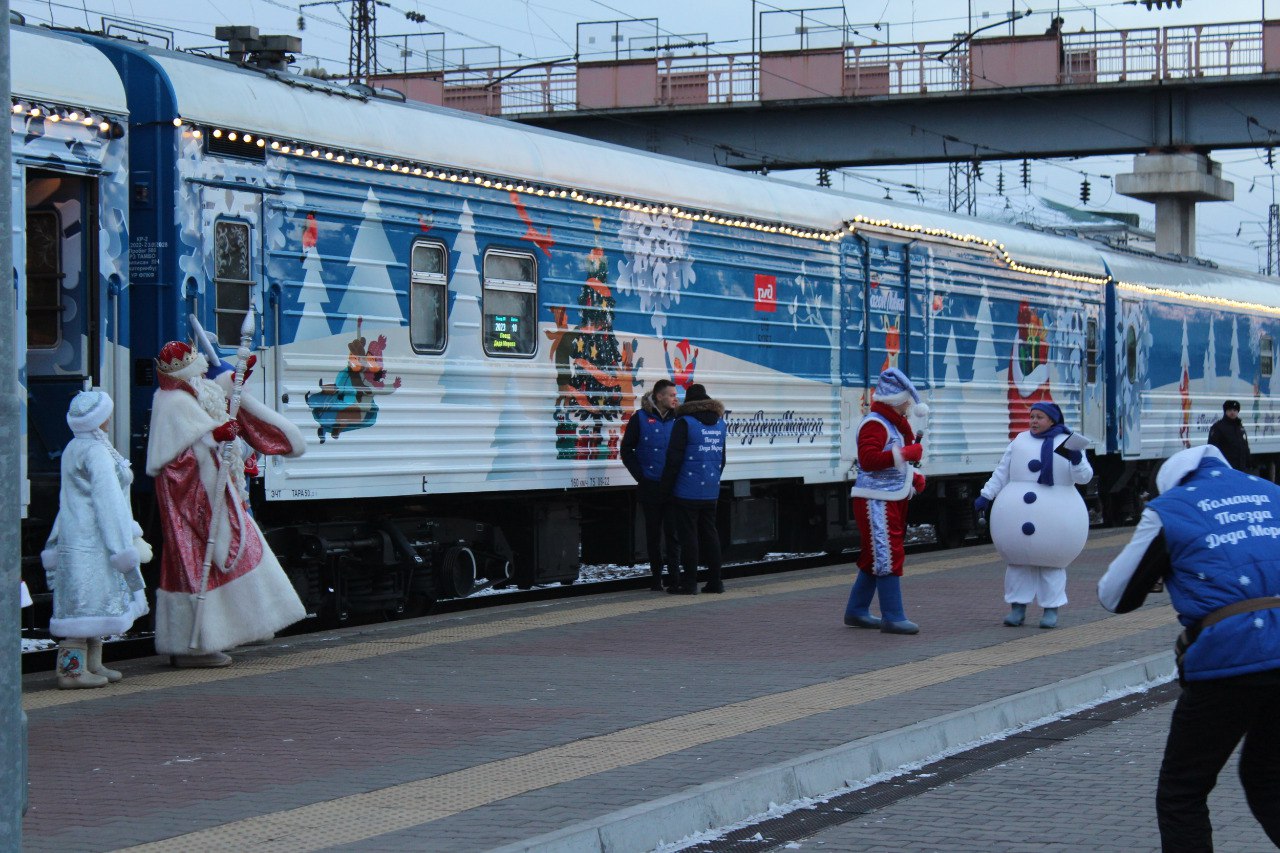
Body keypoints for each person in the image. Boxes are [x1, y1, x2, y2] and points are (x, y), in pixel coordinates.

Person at [1098, 445, 1280, 852]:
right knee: (1268, 776)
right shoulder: (1272, 493)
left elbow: (1113, 596)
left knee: (1183, 791)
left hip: (1230, 661)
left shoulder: (1170, 508)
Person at [146, 340, 307, 668]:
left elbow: (211, 398)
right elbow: (176, 461)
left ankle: (213, 637)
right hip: (193, 501)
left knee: (227, 555)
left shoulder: (186, 393)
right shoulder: (172, 404)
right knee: (198, 565)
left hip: (211, 493)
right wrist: (215, 438)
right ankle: (196, 645)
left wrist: (235, 378)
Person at [40, 389, 151, 688]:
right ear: (98, 420)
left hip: (76, 534)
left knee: (90, 601)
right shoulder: (96, 452)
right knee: (87, 602)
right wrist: (122, 544)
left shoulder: (75, 447)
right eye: (106, 415)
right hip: (94, 539)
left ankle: (91, 664)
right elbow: (109, 501)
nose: (110, 419)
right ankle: (72, 672)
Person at [974, 400, 1093, 629]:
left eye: (1039, 417)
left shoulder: (1068, 442)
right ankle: (1017, 608)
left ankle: (1050, 609)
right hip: (1016, 514)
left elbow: (1084, 477)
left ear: (1052, 420)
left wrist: (1077, 460)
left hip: (1056, 516)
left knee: (1051, 564)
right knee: (1018, 564)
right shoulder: (1020, 441)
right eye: (1032, 417)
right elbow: (1002, 471)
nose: (1034, 421)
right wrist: (986, 495)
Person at [843, 368, 928, 635]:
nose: (909, 406)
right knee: (887, 553)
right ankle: (893, 615)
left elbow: (892, 463)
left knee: (874, 556)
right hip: (875, 499)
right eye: (906, 401)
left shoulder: (889, 423)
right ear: (896, 400)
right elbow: (868, 461)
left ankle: (856, 610)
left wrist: (912, 476)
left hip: (887, 496)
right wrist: (905, 453)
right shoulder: (875, 423)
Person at [661, 383, 726, 595]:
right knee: (710, 533)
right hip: (710, 488)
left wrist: (666, 487)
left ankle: (689, 583)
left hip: (687, 489)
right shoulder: (720, 424)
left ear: (689, 403)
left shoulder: (684, 423)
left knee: (689, 535)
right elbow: (722, 459)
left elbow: (674, 458)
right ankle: (716, 582)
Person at [620, 378, 680, 591]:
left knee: (673, 534)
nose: (676, 398)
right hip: (651, 485)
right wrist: (641, 476)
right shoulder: (641, 418)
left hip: (673, 486)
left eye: (676, 395)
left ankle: (674, 577)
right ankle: (656, 578)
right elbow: (626, 449)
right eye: (672, 395)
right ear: (659, 396)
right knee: (653, 535)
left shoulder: (678, 419)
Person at [1207, 399, 1250, 472]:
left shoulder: (1240, 428)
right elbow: (1212, 448)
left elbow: (1245, 447)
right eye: (1230, 410)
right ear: (1225, 411)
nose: (1232, 412)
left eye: (1235, 410)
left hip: (1241, 469)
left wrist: (1248, 463)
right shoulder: (1218, 427)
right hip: (1225, 468)